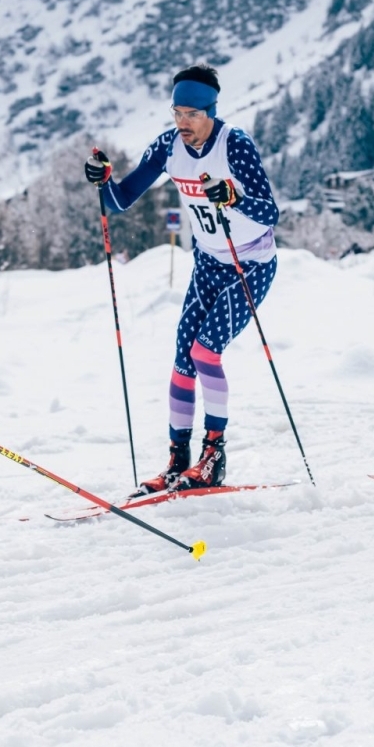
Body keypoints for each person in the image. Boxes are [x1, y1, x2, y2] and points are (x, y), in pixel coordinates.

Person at [86, 64, 280, 494]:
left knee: (205, 352)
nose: (183, 123)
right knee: (182, 358)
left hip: (251, 264)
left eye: (192, 113)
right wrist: (104, 179)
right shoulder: (169, 146)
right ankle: (178, 460)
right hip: (209, 262)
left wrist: (234, 196)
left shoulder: (235, 145)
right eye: (177, 112)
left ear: (211, 110)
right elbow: (120, 200)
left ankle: (214, 456)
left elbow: (270, 213)